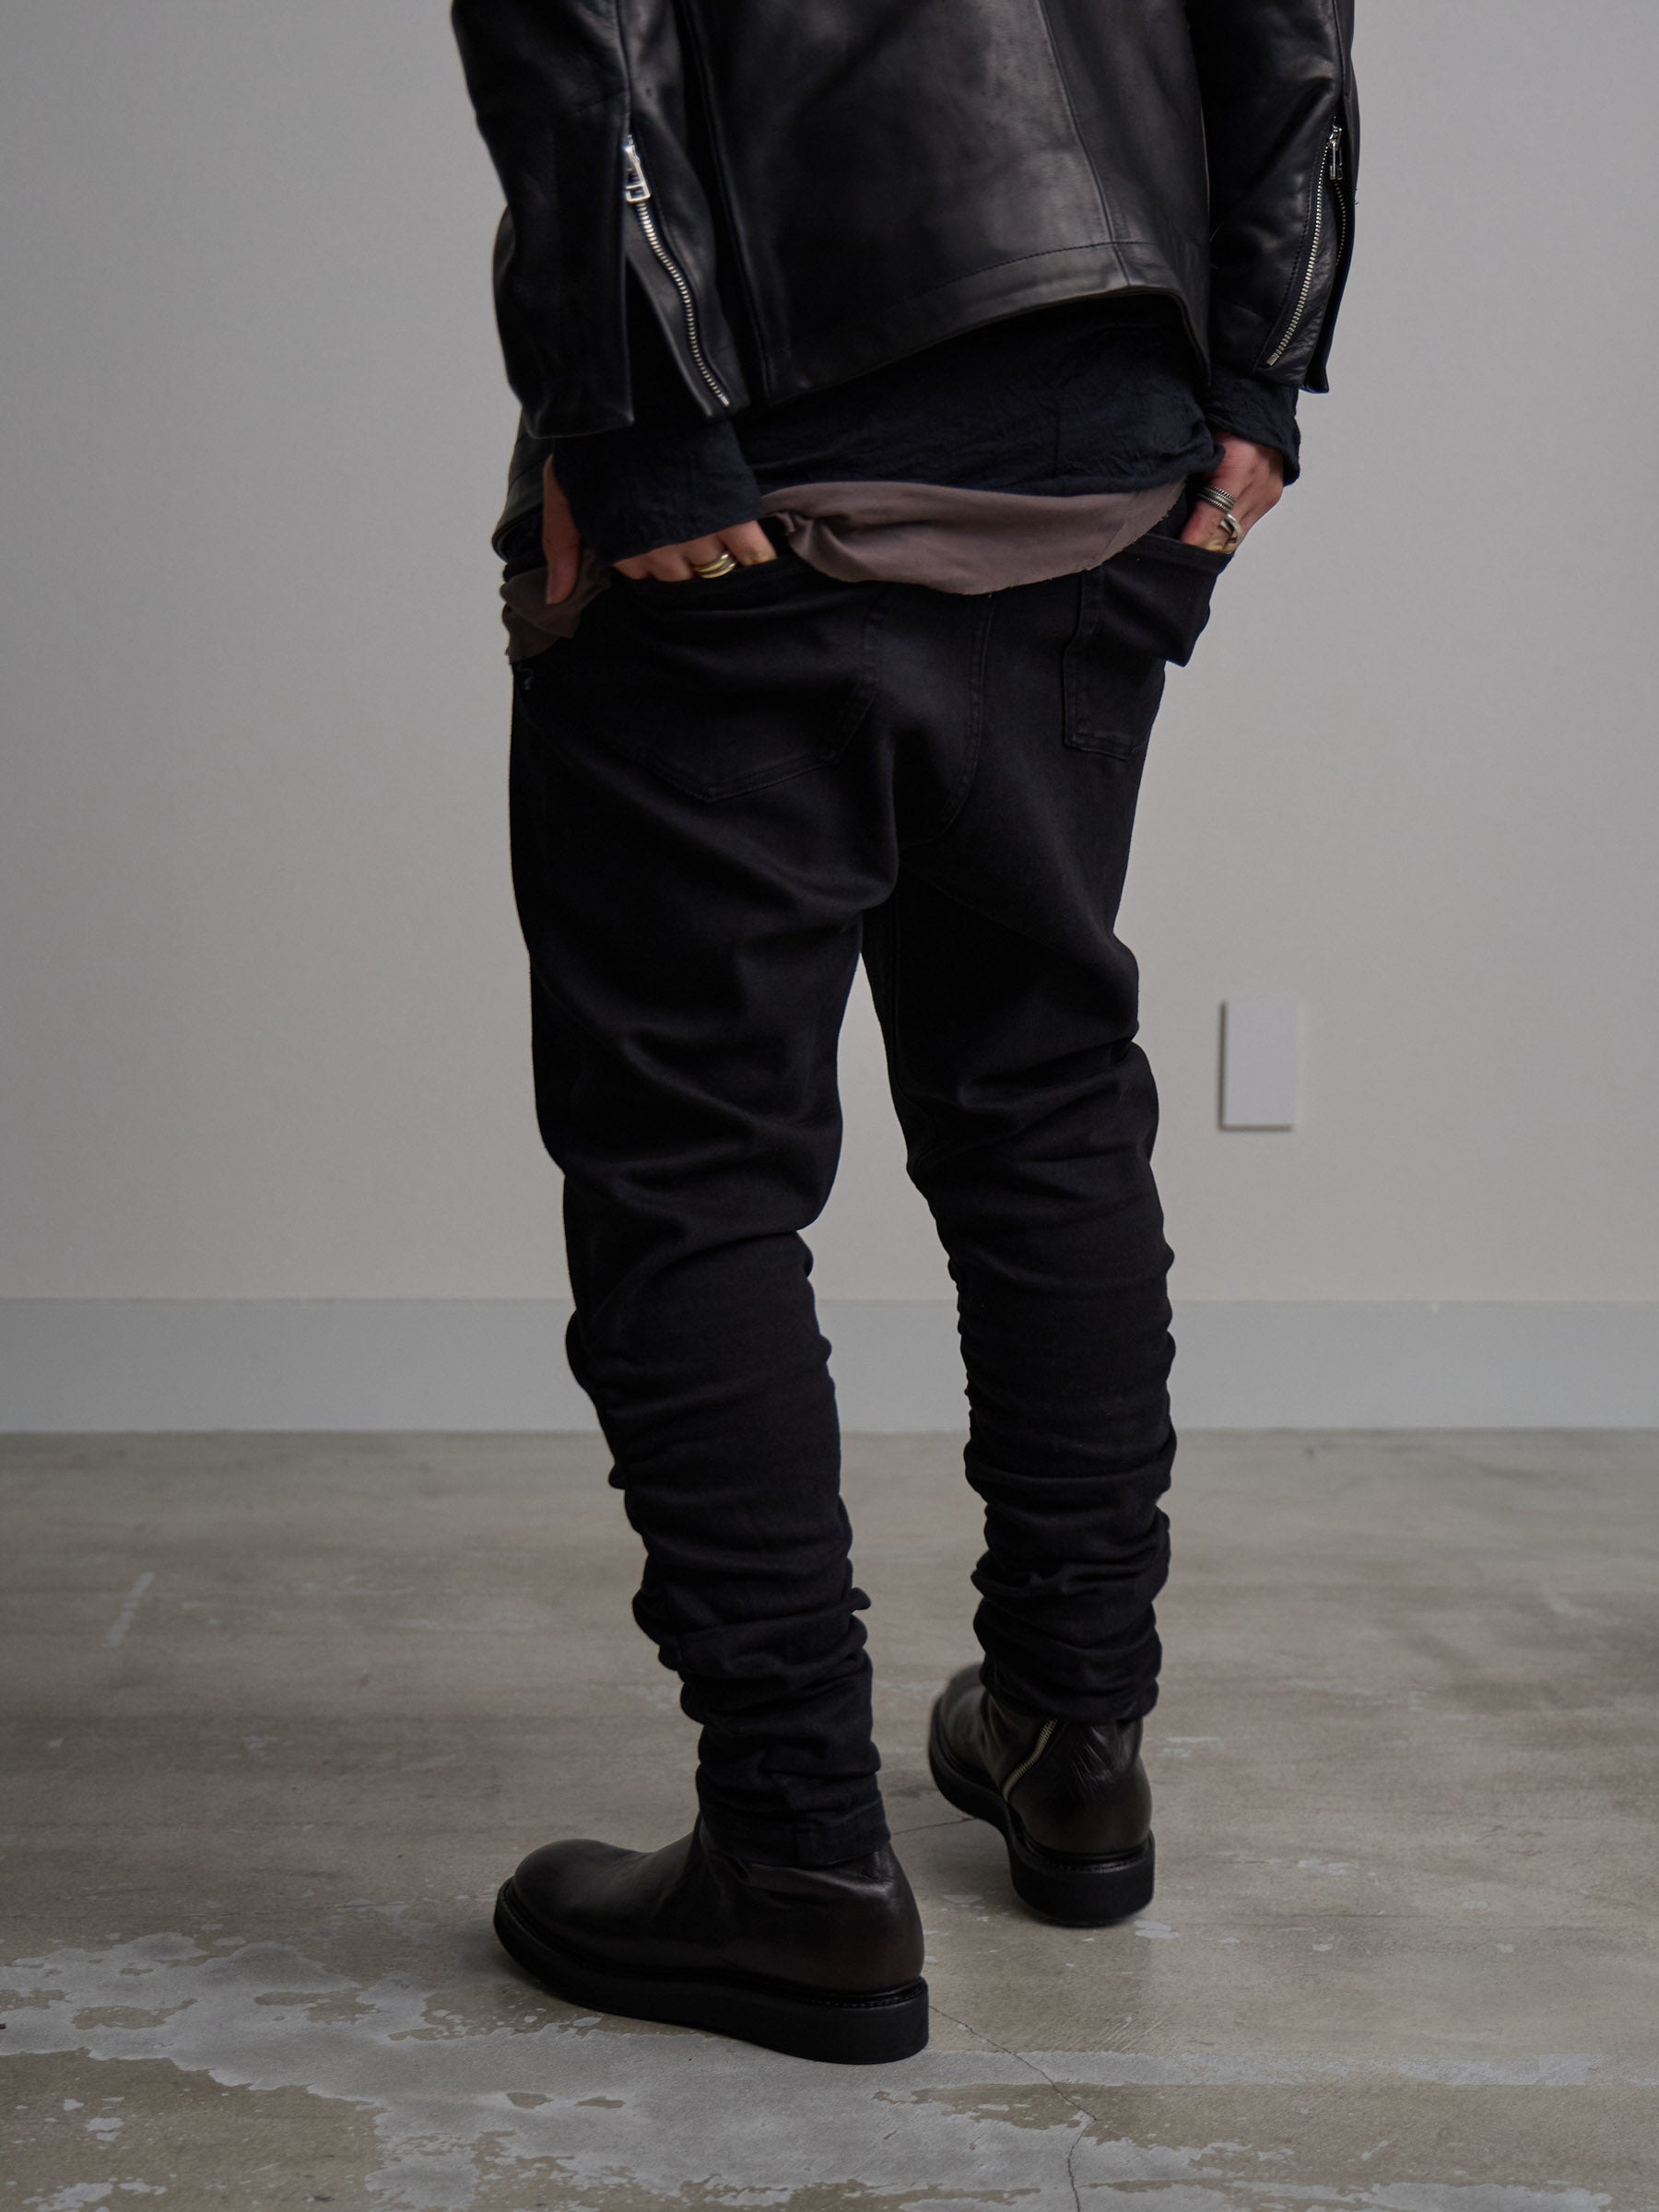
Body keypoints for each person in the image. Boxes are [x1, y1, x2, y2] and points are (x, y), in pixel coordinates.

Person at [452, 0, 1357, 2065]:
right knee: (1043, 1095)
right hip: (1110, 423)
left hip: (762, 415)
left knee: (692, 1169)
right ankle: (1076, 1742)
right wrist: (1259, 366)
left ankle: (799, 1865)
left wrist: (637, 408)